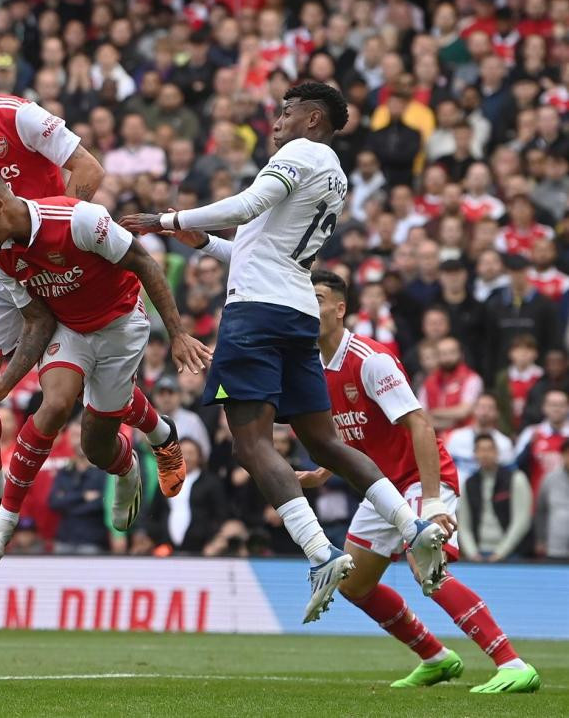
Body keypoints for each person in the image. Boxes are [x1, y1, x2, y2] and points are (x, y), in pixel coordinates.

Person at [120, 81, 447, 623]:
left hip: (256, 314)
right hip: (295, 309)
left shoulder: (299, 152)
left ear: (313, 118)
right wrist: (205, 242)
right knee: (324, 443)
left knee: (250, 444)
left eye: (287, 111)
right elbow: (265, 246)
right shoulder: (335, 173)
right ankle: (414, 528)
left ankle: (320, 554)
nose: (276, 120)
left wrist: (169, 220)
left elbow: (249, 205)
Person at [0, 45, 144, 547]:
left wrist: (63, 238)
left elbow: (90, 170)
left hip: (50, 267)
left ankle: (157, 437)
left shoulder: (20, 116)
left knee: (78, 388)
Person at [299, 271, 540, 694]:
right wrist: (324, 470)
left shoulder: (370, 359)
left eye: (317, 297)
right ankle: (436, 657)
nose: (309, 305)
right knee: (354, 583)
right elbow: (351, 432)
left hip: (420, 478)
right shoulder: (312, 365)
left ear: (340, 309)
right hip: (380, 486)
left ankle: (513, 664)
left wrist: (431, 502)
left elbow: (420, 425)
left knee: (428, 568)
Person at [0, 172, 210, 560]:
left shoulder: (78, 220)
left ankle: (146, 448)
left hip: (121, 325)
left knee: (95, 444)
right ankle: (5, 517)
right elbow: (37, 321)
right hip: (67, 328)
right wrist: (4, 385)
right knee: (54, 406)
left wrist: (177, 334)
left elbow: (145, 264)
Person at [458, 436, 534, 564]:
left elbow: (522, 521)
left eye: (489, 449)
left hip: (513, 554)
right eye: (480, 450)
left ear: (497, 452)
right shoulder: (469, 483)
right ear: (474, 454)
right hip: (479, 554)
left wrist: (500, 553)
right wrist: (472, 553)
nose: (485, 454)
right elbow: (463, 524)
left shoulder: (516, 479)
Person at [48, 423, 109, 554]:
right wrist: (83, 497)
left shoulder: (103, 471)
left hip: (92, 540)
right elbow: (54, 502)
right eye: (75, 436)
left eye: (84, 435)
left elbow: (101, 504)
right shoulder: (64, 471)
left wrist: (68, 500)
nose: (80, 441)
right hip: (64, 539)